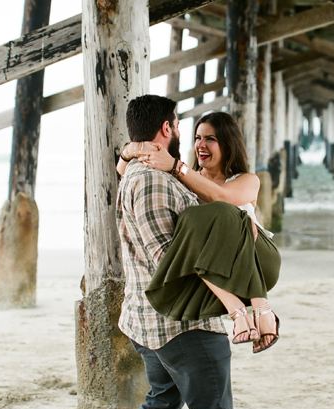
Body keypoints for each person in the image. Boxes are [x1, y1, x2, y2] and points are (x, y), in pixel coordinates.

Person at [114, 95, 233, 409]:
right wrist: (238, 303)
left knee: (160, 406)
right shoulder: (153, 182)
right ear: (167, 128)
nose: (184, 134)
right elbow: (170, 263)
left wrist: (133, 149)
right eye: (180, 125)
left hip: (151, 324)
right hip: (182, 326)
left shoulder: (139, 172)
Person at [118, 112, 281, 353]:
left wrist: (175, 166)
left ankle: (261, 306)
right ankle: (239, 312)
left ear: (228, 144)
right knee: (191, 232)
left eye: (211, 139)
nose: (200, 145)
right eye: (197, 137)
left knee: (222, 215)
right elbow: (123, 170)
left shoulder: (247, 180)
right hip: (216, 265)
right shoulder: (187, 178)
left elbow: (221, 198)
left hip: (256, 258)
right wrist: (132, 149)